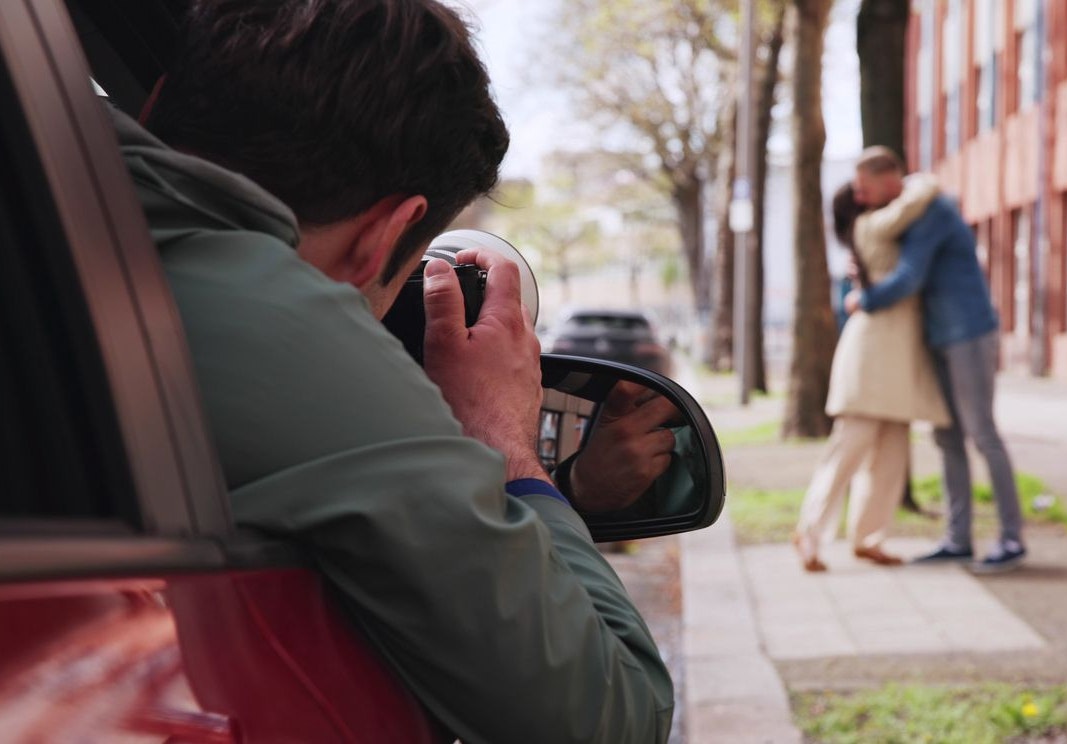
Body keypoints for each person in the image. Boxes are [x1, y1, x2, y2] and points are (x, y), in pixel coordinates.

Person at [125, 0, 673, 740]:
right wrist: (502, 441)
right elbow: (612, 716)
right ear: (383, 235)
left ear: (154, 101)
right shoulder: (298, 345)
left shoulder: (69, 224)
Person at [846, 146, 1027, 574]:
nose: (859, 196)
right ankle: (958, 539)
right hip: (938, 337)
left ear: (890, 180)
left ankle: (1011, 538)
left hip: (968, 333)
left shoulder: (933, 212)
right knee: (947, 437)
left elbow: (911, 277)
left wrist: (863, 300)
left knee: (982, 432)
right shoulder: (908, 213)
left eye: (864, 188)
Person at [792, 178, 950, 572]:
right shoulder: (873, 226)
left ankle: (869, 538)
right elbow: (915, 201)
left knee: (891, 456)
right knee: (848, 449)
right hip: (869, 355)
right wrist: (916, 180)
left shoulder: (879, 236)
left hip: (899, 355)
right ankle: (809, 533)